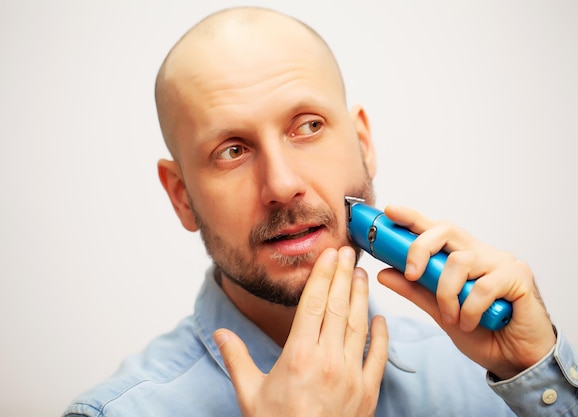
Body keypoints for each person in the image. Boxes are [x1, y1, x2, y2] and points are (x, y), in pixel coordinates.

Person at [63, 6, 577, 417]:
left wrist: (535, 373)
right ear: (181, 196)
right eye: (232, 151)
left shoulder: (488, 380)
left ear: (363, 143)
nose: (283, 185)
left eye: (307, 126)